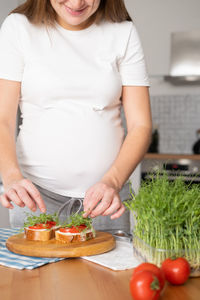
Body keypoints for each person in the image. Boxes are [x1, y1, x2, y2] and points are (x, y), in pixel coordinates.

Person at [0, 0, 152, 229]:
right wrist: (11, 177)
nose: (77, 2)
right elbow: (3, 119)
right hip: (35, 197)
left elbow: (141, 126)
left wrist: (112, 182)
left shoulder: (123, 32)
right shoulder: (19, 27)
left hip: (105, 200)